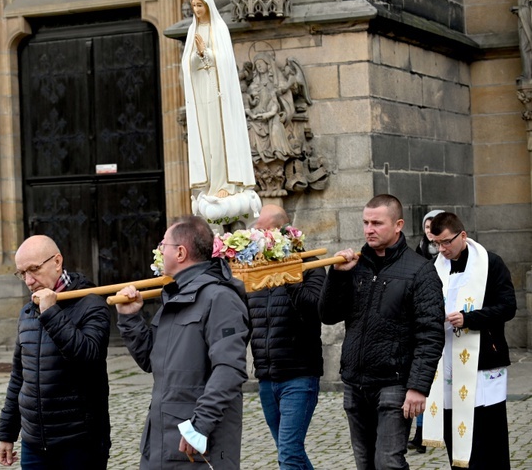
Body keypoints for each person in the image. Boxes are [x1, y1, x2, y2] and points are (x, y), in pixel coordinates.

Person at [318, 194, 445, 470]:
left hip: (395, 383)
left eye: (377, 223)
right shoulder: (355, 265)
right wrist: (337, 275)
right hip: (355, 382)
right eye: (365, 222)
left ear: (398, 225)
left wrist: (418, 387)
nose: (368, 229)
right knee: (365, 463)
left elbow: (431, 333)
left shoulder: (420, 270)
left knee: (388, 462)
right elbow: (327, 316)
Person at [115, 215, 250, 469]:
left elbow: (229, 369)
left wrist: (200, 425)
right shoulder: (176, 296)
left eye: (162, 245)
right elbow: (150, 360)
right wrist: (129, 317)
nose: (159, 250)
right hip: (162, 440)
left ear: (180, 252)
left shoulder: (219, 298)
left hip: (197, 445)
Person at [0, 235, 111, 469]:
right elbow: (19, 376)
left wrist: (51, 313)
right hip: (34, 444)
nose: (28, 280)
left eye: (34, 269)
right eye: (22, 273)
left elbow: (88, 357)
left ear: (57, 262)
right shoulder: (27, 313)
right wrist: (7, 433)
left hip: (79, 443)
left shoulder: (92, 304)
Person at [422, 213, 516, 469]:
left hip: (483, 361)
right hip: (448, 363)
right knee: (457, 438)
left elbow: (507, 307)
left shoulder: (490, 263)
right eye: (436, 244)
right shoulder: (434, 268)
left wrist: (470, 318)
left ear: (462, 235)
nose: (442, 250)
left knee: (488, 435)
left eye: (446, 242)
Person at [247, 204, 325, 469]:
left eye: (258, 229)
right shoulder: (254, 270)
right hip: (267, 377)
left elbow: (315, 309)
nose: (253, 236)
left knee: (289, 453)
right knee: (288, 450)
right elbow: (246, 320)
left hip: (299, 374)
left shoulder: (311, 264)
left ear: (276, 232)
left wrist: (289, 275)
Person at [181, 0, 260, 223]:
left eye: (200, 5)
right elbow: (188, 64)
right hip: (202, 94)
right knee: (207, 139)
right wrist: (197, 55)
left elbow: (225, 61)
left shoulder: (220, 29)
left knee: (221, 137)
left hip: (219, 96)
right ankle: (213, 184)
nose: (196, 10)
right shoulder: (193, 31)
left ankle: (227, 182)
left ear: (208, 6)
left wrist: (207, 53)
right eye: (193, 5)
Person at [408, 208, 443, 454]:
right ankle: (421, 432)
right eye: (427, 227)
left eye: (434, 227)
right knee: (423, 380)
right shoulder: (417, 253)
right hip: (422, 323)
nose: (430, 232)